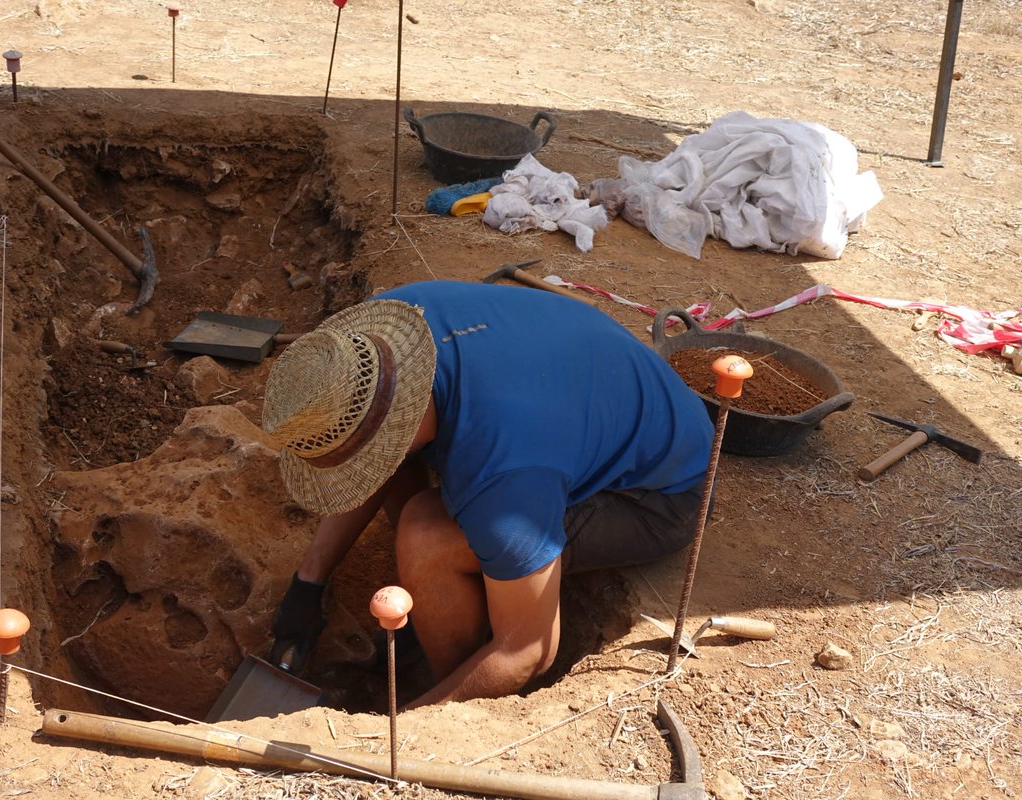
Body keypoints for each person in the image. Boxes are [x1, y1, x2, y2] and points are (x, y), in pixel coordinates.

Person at [262, 279, 714, 708]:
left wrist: (414, 728)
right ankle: (447, 610)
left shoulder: (505, 470)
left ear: (402, 421)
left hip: (659, 494)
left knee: (426, 538)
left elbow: (527, 651)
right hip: (592, 404)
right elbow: (372, 446)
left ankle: (446, 671)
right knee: (406, 490)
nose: (366, 470)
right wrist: (309, 583)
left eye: (370, 457)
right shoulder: (379, 339)